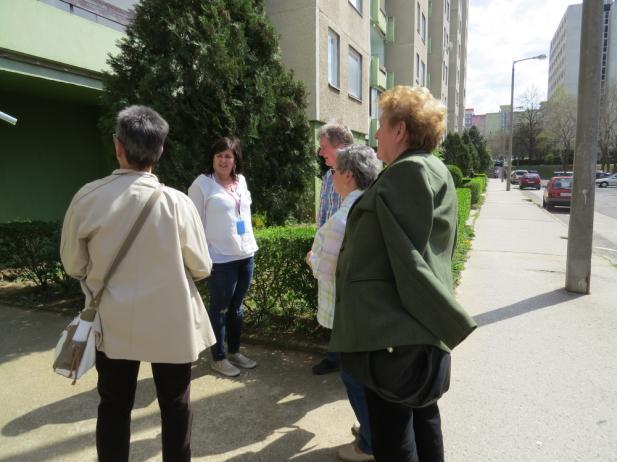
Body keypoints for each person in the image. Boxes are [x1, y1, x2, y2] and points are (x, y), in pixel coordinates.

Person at [330, 86, 477, 462]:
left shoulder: (407, 173)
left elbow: (408, 260)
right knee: (424, 420)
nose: (375, 134)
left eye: (381, 125)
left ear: (400, 130)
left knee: (394, 439)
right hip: (412, 335)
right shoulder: (433, 169)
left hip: (395, 337)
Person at [60, 105, 215, 462]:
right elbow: (202, 266)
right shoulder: (177, 202)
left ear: (118, 146)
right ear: (160, 150)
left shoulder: (88, 197)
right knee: (175, 405)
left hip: (113, 323)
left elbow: (74, 265)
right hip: (171, 323)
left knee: (114, 405)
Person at [307, 144, 381, 462]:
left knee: (353, 376)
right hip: (367, 307)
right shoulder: (370, 202)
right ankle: (371, 429)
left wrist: (311, 257)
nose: (332, 176)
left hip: (348, 310)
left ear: (348, 175)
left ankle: (369, 443)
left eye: (335, 171)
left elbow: (324, 265)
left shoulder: (346, 213)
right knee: (367, 375)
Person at [188, 137, 258, 378]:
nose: (223, 159)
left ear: (235, 159)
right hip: (219, 258)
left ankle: (235, 352)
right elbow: (193, 224)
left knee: (236, 308)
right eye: (219, 155)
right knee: (219, 309)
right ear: (212, 158)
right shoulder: (202, 185)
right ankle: (218, 357)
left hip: (246, 254)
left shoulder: (241, 182)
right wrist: (201, 256)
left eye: (228, 155)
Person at [312, 121, 354, 376]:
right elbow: (324, 214)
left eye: (324, 147)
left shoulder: (359, 172)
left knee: (348, 308)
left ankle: (348, 361)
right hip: (329, 251)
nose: (320, 152)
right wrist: (317, 244)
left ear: (340, 146)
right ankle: (334, 356)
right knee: (331, 305)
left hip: (349, 254)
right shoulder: (329, 175)